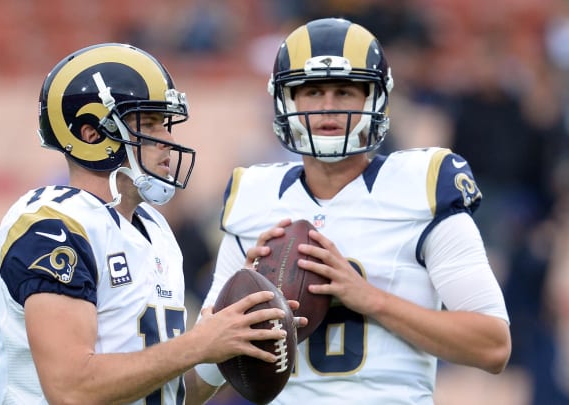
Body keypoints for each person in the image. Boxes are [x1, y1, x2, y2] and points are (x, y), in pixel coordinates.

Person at [191, 18, 512, 404]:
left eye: (344, 92)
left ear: (374, 100)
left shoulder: (424, 187)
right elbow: (194, 389)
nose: (328, 108)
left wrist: (369, 298)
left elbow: (493, 346)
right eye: (311, 92)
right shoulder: (253, 199)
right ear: (286, 101)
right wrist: (234, 318)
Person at [0, 43, 293, 404]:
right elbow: (71, 390)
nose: (167, 140)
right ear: (91, 133)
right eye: (149, 124)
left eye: (166, 125)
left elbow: (168, 395)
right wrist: (197, 344)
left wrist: (229, 339)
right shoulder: (52, 226)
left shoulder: (156, 230)